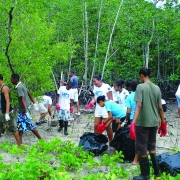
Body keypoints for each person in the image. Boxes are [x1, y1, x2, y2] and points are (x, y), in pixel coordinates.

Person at [132, 67, 166, 180]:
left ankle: (145, 175)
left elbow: (139, 105)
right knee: (152, 147)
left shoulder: (140, 87)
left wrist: (133, 121)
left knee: (141, 149)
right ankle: (157, 174)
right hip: (154, 122)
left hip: (143, 122)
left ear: (142, 76)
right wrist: (163, 122)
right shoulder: (156, 88)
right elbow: (160, 107)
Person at [10, 74, 42, 142]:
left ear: (15, 79)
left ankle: (41, 140)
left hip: (24, 110)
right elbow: (29, 93)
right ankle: (20, 142)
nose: (11, 80)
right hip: (25, 109)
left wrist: (26, 111)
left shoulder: (19, 87)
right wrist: (34, 102)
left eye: (11, 79)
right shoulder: (22, 85)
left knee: (29, 125)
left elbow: (23, 99)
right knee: (20, 125)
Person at [86, 75, 113, 144]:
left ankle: (111, 142)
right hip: (98, 109)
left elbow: (111, 99)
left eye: (95, 81)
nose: (94, 83)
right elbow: (95, 96)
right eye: (93, 82)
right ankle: (97, 141)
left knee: (107, 127)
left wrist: (109, 108)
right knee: (96, 126)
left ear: (99, 80)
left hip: (105, 109)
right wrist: (92, 102)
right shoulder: (95, 87)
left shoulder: (106, 87)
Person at [0, 74, 21, 146]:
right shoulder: (1, 88)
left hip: (7, 112)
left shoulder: (5, 88)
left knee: (12, 128)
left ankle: (20, 145)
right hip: (2, 111)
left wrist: (6, 113)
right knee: (1, 126)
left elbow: (8, 101)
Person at [125, 79, 139, 165]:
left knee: (132, 138)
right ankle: (136, 158)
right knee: (140, 139)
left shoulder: (129, 97)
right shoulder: (142, 95)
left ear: (130, 87)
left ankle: (132, 157)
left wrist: (127, 119)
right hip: (140, 119)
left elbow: (128, 111)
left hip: (132, 119)